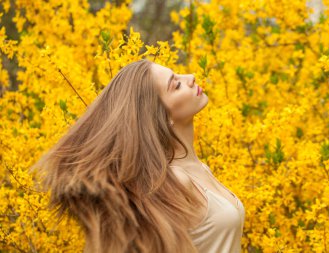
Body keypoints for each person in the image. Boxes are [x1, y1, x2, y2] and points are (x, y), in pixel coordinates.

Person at [30, 59, 245, 253]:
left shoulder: (200, 169)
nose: (190, 78)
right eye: (176, 85)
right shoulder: (176, 181)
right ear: (162, 116)